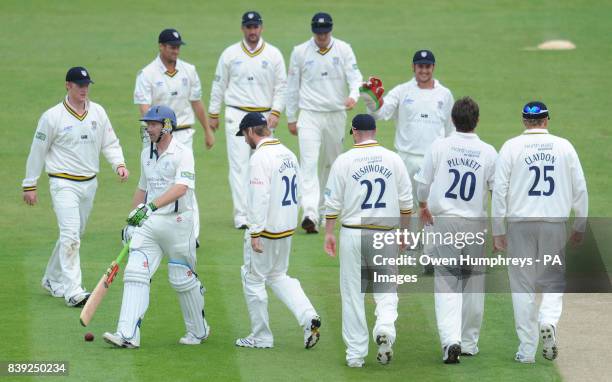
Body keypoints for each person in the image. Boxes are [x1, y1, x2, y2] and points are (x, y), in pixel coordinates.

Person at [103, 106, 210, 348]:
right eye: (147, 124)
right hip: (151, 225)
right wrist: (132, 218)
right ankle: (127, 334)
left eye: (153, 124)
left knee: (181, 278)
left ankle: (199, 331)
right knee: (135, 272)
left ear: (167, 126)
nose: (148, 128)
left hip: (179, 223)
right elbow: (143, 187)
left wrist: (149, 207)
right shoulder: (146, 153)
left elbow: (182, 187)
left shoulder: (183, 152)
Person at [23, 66, 129, 307]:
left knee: (73, 234)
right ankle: (74, 291)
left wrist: (118, 164)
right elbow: (37, 151)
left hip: (89, 184)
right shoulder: (52, 117)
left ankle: (51, 278)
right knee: (71, 235)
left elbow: (110, 143)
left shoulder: (98, 112)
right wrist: (29, 184)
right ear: (67, 85)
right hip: (63, 183)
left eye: (87, 85)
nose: (84, 89)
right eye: (79, 85)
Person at [492, 101, 588, 363]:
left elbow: (499, 190)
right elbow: (580, 188)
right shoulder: (564, 146)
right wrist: (579, 225)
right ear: (546, 121)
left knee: (522, 286)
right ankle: (548, 320)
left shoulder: (511, 146)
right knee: (553, 279)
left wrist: (497, 229)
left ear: (525, 122)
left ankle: (526, 351)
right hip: (554, 224)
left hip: (519, 224)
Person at [323, 114, 413, 367]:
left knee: (353, 293)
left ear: (354, 131)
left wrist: (329, 232)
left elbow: (331, 203)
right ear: (374, 131)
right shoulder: (393, 159)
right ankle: (384, 329)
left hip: (352, 233)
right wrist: (405, 232)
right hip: (385, 234)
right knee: (386, 290)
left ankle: (355, 354)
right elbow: (407, 203)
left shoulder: (344, 160)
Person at [414, 97, 497, 363]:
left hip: (445, 221)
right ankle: (470, 342)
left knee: (447, 283)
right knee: (473, 283)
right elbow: (497, 190)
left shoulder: (439, 146)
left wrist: (423, 205)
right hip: (475, 223)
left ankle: (451, 340)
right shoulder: (488, 151)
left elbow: (423, 183)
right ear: (478, 121)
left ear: (452, 119)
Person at [235, 112, 321, 349]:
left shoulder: (260, 158)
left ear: (251, 131)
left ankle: (261, 337)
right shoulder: (288, 153)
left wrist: (255, 232)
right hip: (285, 229)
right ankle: (308, 316)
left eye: (244, 135)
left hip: (265, 232)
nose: (244, 141)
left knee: (253, 280)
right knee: (279, 276)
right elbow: (300, 192)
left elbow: (259, 197)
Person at [285, 12, 363, 233]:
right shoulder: (300, 51)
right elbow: (292, 87)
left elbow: (356, 77)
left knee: (331, 163)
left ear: (331, 30)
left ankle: (323, 210)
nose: (321, 36)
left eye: (325, 32)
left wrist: (353, 96)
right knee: (308, 163)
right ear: (313, 32)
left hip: (336, 114)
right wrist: (291, 117)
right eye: (318, 32)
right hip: (309, 114)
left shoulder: (344, 49)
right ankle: (309, 212)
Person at [208, 11, 287, 229]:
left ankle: (265, 213)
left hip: (264, 116)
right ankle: (242, 216)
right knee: (239, 166)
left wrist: (277, 111)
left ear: (261, 28)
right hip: (237, 114)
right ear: (243, 28)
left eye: (256, 27)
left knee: (267, 165)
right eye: (249, 27)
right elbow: (218, 84)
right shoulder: (230, 54)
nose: (252, 31)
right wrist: (213, 113)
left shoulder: (273, 54)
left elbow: (281, 86)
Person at [134, 28, 213, 243]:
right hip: (155, 135)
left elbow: (196, 102)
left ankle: (192, 234)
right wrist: (155, 132)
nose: (176, 50)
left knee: (185, 185)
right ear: (161, 46)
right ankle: (145, 227)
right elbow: (145, 108)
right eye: (171, 47)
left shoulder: (189, 70)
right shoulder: (147, 74)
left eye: (178, 47)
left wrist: (207, 130)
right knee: (152, 182)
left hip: (183, 133)